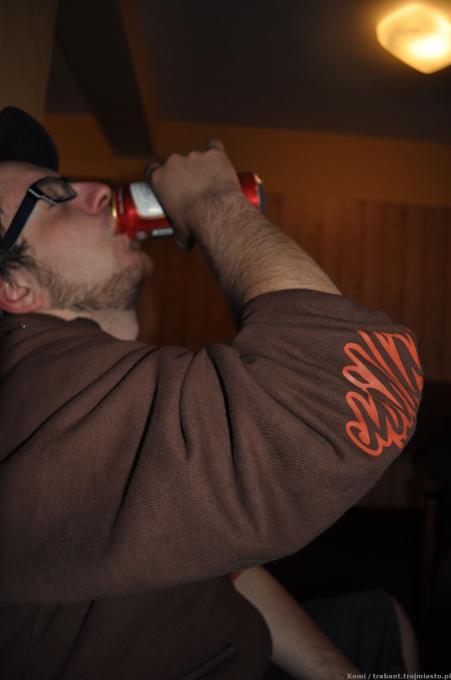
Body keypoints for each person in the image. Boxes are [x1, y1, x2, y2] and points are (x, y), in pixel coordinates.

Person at [0, 106, 423, 679]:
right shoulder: (40, 383)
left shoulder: (89, 378)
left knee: (380, 621)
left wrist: (335, 670)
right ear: (14, 286)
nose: (98, 190)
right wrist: (213, 202)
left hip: (228, 643)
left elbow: (218, 560)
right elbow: (345, 387)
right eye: (52, 195)